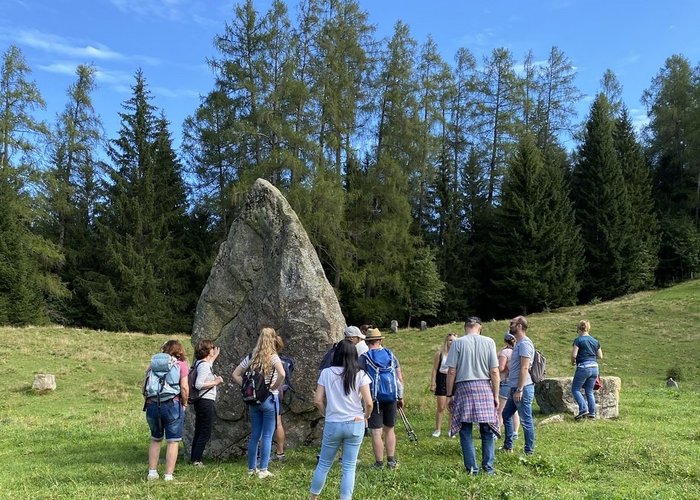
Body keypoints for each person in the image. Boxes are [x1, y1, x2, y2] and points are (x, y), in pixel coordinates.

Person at [309, 340, 373, 500]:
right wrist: (365, 416)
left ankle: (312, 498)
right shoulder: (360, 374)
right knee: (349, 467)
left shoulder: (326, 373)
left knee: (324, 464)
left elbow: (317, 400)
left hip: (333, 422)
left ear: (336, 354)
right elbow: (369, 403)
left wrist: (326, 413)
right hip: (355, 422)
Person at [445, 317, 500, 475]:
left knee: (465, 429)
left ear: (465, 327)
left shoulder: (457, 343)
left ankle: (471, 469)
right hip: (484, 387)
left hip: (464, 388)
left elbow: (451, 371)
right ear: (480, 327)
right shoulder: (489, 342)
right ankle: (488, 468)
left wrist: (449, 394)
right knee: (487, 429)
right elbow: (494, 371)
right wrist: (496, 395)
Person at [233, 327, 286, 479]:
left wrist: (246, 388)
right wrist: (273, 387)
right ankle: (263, 469)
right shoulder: (273, 357)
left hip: (253, 400)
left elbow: (235, 374)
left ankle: (251, 469)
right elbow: (282, 374)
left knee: (255, 434)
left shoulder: (251, 356)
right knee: (267, 435)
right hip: (269, 399)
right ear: (273, 339)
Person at [358, 328, 404, 469]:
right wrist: (400, 396)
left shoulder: (364, 358)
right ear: (380, 340)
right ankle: (391, 461)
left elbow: (360, 379)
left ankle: (379, 463)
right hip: (391, 396)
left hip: (374, 399)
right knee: (390, 429)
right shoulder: (390, 354)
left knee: (376, 432)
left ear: (367, 342)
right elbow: (399, 378)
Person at [146, 340, 189, 481]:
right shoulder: (181, 365)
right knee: (173, 441)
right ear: (179, 350)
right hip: (172, 405)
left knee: (155, 438)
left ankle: (152, 473)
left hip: (152, 404)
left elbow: (145, 386)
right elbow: (184, 387)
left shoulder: (153, 365)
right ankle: (168, 475)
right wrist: (185, 403)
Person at [501, 316, 536, 455]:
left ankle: (529, 451)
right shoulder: (518, 343)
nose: (510, 325)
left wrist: (519, 389)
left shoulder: (525, 344)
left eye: (512, 323)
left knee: (526, 420)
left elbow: (524, 367)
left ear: (520, 326)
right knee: (506, 414)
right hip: (514, 387)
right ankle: (508, 446)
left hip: (523, 388)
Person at [190, 339, 224, 466]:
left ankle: (194, 458)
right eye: (212, 348)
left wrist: (213, 357)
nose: (213, 349)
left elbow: (208, 364)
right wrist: (216, 382)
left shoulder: (199, 363)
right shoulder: (204, 365)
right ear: (207, 350)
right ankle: (197, 460)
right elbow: (198, 384)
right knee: (205, 431)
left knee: (199, 429)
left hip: (201, 401)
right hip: (205, 401)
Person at [571, 320, 603, 419]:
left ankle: (583, 409)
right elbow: (600, 356)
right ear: (588, 328)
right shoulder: (595, 341)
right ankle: (592, 413)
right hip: (595, 367)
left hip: (583, 367)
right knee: (589, 391)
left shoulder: (578, 340)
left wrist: (573, 362)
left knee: (575, 389)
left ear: (578, 329)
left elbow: (574, 355)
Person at [430, 333, 456, 437]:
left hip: (453, 379)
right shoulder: (440, 354)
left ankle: (451, 429)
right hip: (442, 379)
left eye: (454, 340)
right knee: (441, 406)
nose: (452, 342)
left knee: (452, 407)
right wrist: (433, 383)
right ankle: (438, 429)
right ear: (446, 341)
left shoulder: (458, 353)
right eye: (450, 340)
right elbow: (435, 369)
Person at [497, 333, 520, 440]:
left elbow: (501, 368)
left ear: (505, 341)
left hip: (506, 381)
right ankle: (515, 431)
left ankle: (497, 431)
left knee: (500, 409)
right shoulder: (518, 351)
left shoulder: (505, 352)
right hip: (516, 382)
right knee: (514, 410)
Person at [272, 335, 287, 461]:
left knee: (265, 425)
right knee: (278, 423)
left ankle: (260, 455)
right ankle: (280, 452)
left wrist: (272, 388)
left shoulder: (272, 359)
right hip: (278, 393)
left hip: (271, 394)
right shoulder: (281, 361)